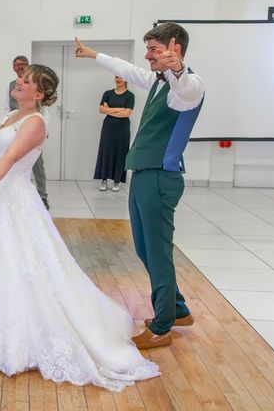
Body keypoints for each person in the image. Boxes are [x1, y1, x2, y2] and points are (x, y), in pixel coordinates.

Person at [0, 64, 159, 391]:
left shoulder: (35, 122)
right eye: (21, 79)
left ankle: (23, 335)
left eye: (27, 81)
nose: (19, 83)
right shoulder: (10, 117)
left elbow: (9, 160)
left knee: (24, 264)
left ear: (40, 94)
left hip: (13, 197)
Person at [75, 22, 205, 350]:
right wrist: (93, 55)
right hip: (144, 174)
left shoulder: (188, 85)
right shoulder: (158, 82)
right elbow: (128, 69)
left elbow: (186, 86)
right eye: (148, 50)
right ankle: (176, 309)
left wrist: (178, 68)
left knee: (158, 253)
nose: (148, 56)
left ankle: (162, 327)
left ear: (175, 48)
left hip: (160, 177)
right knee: (144, 248)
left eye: (154, 50)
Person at [5, 55, 49, 209]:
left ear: (28, 66)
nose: (20, 67)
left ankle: (42, 196)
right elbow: (7, 108)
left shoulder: (36, 84)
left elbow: (44, 108)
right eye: (16, 65)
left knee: (37, 164)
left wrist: (45, 127)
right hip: (15, 128)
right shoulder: (10, 85)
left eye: (23, 64)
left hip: (32, 127)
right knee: (12, 161)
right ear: (13, 67)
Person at [94, 76, 134, 192]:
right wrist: (119, 109)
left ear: (126, 79)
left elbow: (127, 113)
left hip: (122, 129)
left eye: (121, 77)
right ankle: (104, 180)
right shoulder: (107, 93)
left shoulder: (130, 96)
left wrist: (110, 110)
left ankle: (117, 181)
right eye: (116, 77)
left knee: (120, 152)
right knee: (105, 151)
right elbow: (101, 110)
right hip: (108, 127)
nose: (118, 79)